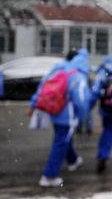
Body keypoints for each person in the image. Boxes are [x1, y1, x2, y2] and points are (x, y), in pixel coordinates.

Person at [28, 49, 91, 187]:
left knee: (63, 138)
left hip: (54, 111)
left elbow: (42, 88)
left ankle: (73, 160)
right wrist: (83, 117)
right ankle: (49, 176)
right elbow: (81, 101)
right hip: (67, 116)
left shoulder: (58, 70)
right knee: (61, 142)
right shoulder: (78, 77)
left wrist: (33, 104)